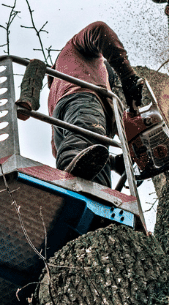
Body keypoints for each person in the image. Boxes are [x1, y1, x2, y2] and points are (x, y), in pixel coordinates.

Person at [47, 22, 143, 187]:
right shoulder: (76, 47)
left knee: (88, 151)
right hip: (84, 100)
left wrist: (114, 162)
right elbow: (99, 29)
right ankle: (74, 180)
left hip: (68, 118)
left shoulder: (54, 92)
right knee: (88, 140)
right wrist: (128, 77)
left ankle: (86, 195)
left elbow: (60, 149)